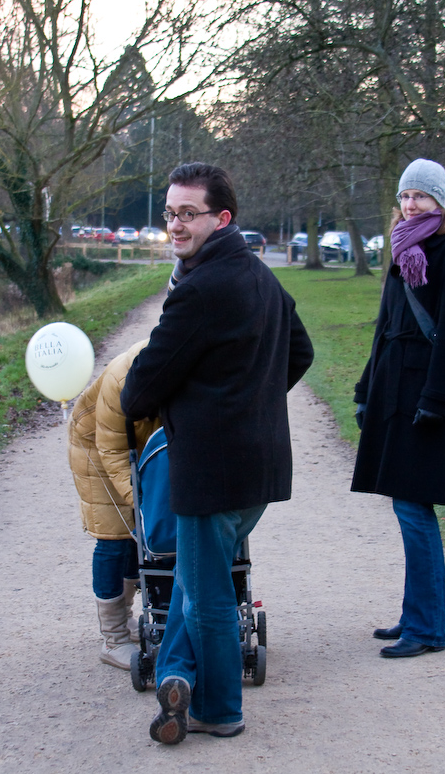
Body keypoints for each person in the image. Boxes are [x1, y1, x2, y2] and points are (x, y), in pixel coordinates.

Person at [120, 162, 314, 744]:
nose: (175, 225)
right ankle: (177, 673)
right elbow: (299, 352)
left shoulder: (201, 289)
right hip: (256, 472)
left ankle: (220, 709)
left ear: (221, 217)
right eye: (170, 214)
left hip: (211, 472)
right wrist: (247, 400)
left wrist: (216, 406)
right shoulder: (257, 275)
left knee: (205, 598)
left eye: (188, 213)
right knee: (195, 582)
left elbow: (138, 391)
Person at [352, 158, 445, 658]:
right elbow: (384, 328)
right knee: (406, 505)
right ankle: (415, 617)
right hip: (392, 391)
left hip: (427, 398)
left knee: (413, 506)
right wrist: (365, 389)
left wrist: (435, 399)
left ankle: (428, 629)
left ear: (439, 203)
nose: (410, 205)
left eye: (421, 197)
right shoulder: (403, 249)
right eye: (405, 197)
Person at [68, 340, 160, 670]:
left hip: (139, 442)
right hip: (97, 445)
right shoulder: (120, 378)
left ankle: (127, 618)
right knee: (115, 537)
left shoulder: (178, 362)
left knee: (140, 534)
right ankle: (113, 639)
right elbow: (113, 451)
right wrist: (143, 503)